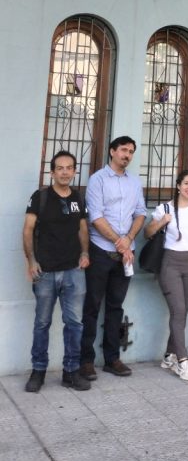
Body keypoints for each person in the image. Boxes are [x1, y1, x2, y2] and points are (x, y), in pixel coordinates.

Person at [22, 151, 91, 393]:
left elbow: (83, 228)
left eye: (69, 168)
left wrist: (85, 253)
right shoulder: (40, 197)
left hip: (74, 271)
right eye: (60, 168)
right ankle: (38, 371)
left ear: (74, 171)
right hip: (45, 272)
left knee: (75, 324)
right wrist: (31, 260)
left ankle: (71, 372)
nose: (64, 172)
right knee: (42, 323)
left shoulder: (78, 198)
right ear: (52, 172)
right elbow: (28, 229)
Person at [80, 136, 146, 380]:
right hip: (100, 251)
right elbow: (96, 217)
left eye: (131, 151)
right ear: (112, 151)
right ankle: (86, 361)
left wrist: (128, 239)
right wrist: (121, 242)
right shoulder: (97, 180)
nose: (127, 155)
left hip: (125, 255)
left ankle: (112, 359)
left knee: (115, 307)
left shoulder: (134, 182)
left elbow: (141, 213)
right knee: (92, 306)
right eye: (123, 150)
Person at [144, 170, 188, 381]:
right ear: (178, 185)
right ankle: (183, 361)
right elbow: (147, 233)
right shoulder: (164, 208)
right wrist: (162, 221)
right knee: (178, 311)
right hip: (170, 263)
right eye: (186, 183)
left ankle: (169, 356)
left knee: (182, 313)